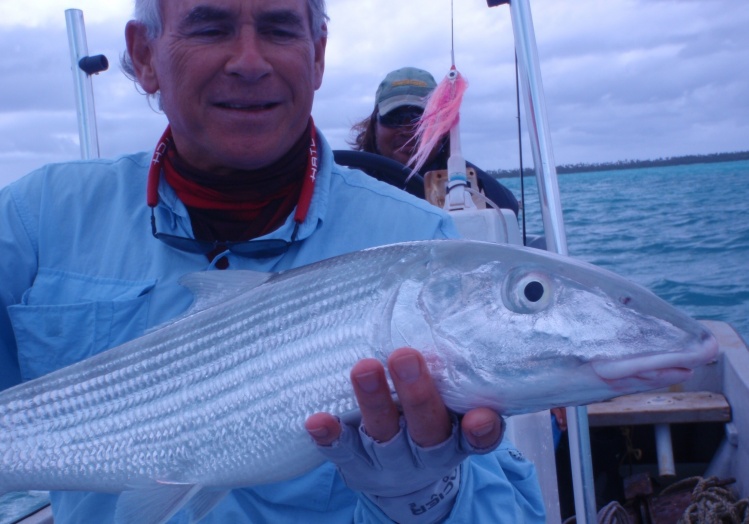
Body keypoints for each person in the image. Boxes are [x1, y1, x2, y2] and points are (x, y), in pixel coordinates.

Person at [0, 1, 545, 522]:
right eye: (210, 28)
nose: (249, 62)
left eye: (280, 29)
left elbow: (508, 506)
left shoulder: (417, 244)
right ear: (144, 56)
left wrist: (425, 496)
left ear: (318, 56)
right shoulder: (38, 219)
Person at [350, 66, 520, 215]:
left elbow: (508, 208)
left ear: (443, 129)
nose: (408, 130)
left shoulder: (464, 179)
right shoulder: (349, 184)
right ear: (374, 125)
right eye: (395, 117)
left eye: (421, 119)